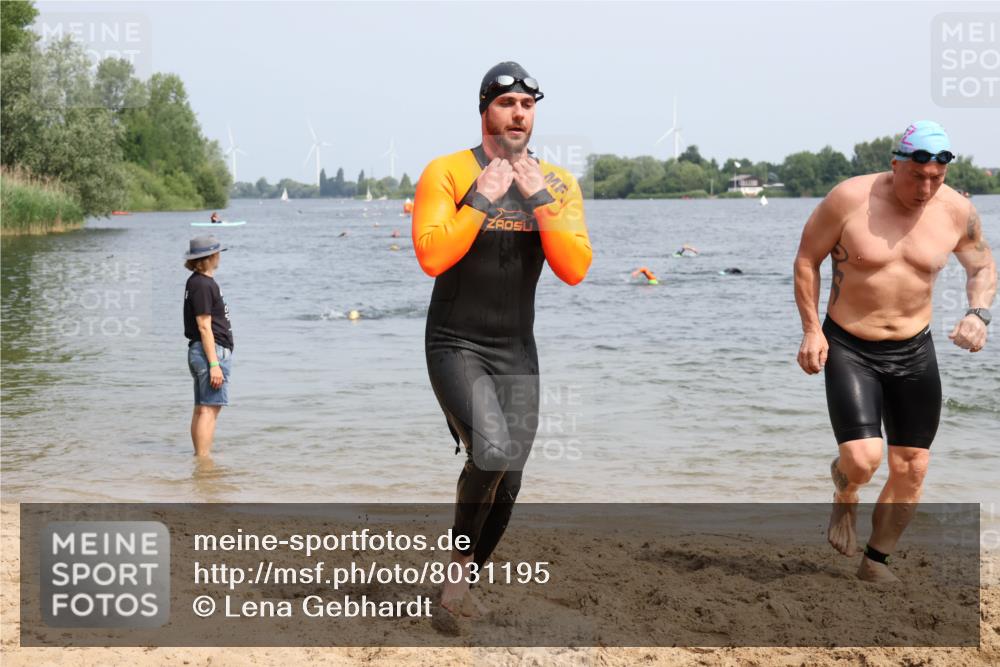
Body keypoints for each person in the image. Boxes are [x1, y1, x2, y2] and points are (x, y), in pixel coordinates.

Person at [412, 61, 592, 617]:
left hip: (517, 351)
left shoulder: (557, 183)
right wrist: (482, 198)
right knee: (491, 451)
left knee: (509, 482)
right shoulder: (447, 172)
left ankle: (460, 583)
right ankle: (455, 584)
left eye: (527, 105)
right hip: (455, 342)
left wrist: (539, 199)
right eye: (507, 103)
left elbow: (575, 268)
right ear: (484, 109)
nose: (518, 114)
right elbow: (432, 256)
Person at [793, 120, 995, 582]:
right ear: (895, 165)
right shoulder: (849, 199)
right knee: (862, 460)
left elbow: (982, 267)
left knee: (913, 467)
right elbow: (806, 259)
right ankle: (846, 493)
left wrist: (978, 313)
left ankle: (875, 561)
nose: (925, 189)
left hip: (914, 348)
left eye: (936, 178)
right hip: (850, 344)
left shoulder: (957, 211)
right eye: (916, 176)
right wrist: (811, 330)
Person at [183, 235, 235, 457]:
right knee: (209, 410)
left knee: (202, 408)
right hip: (210, 352)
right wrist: (214, 364)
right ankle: (204, 462)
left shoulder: (196, 282)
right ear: (210, 256)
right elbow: (204, 326)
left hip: (202, 351)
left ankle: (200, 459)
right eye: (217, 253)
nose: (219, 256)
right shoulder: (203, 285)